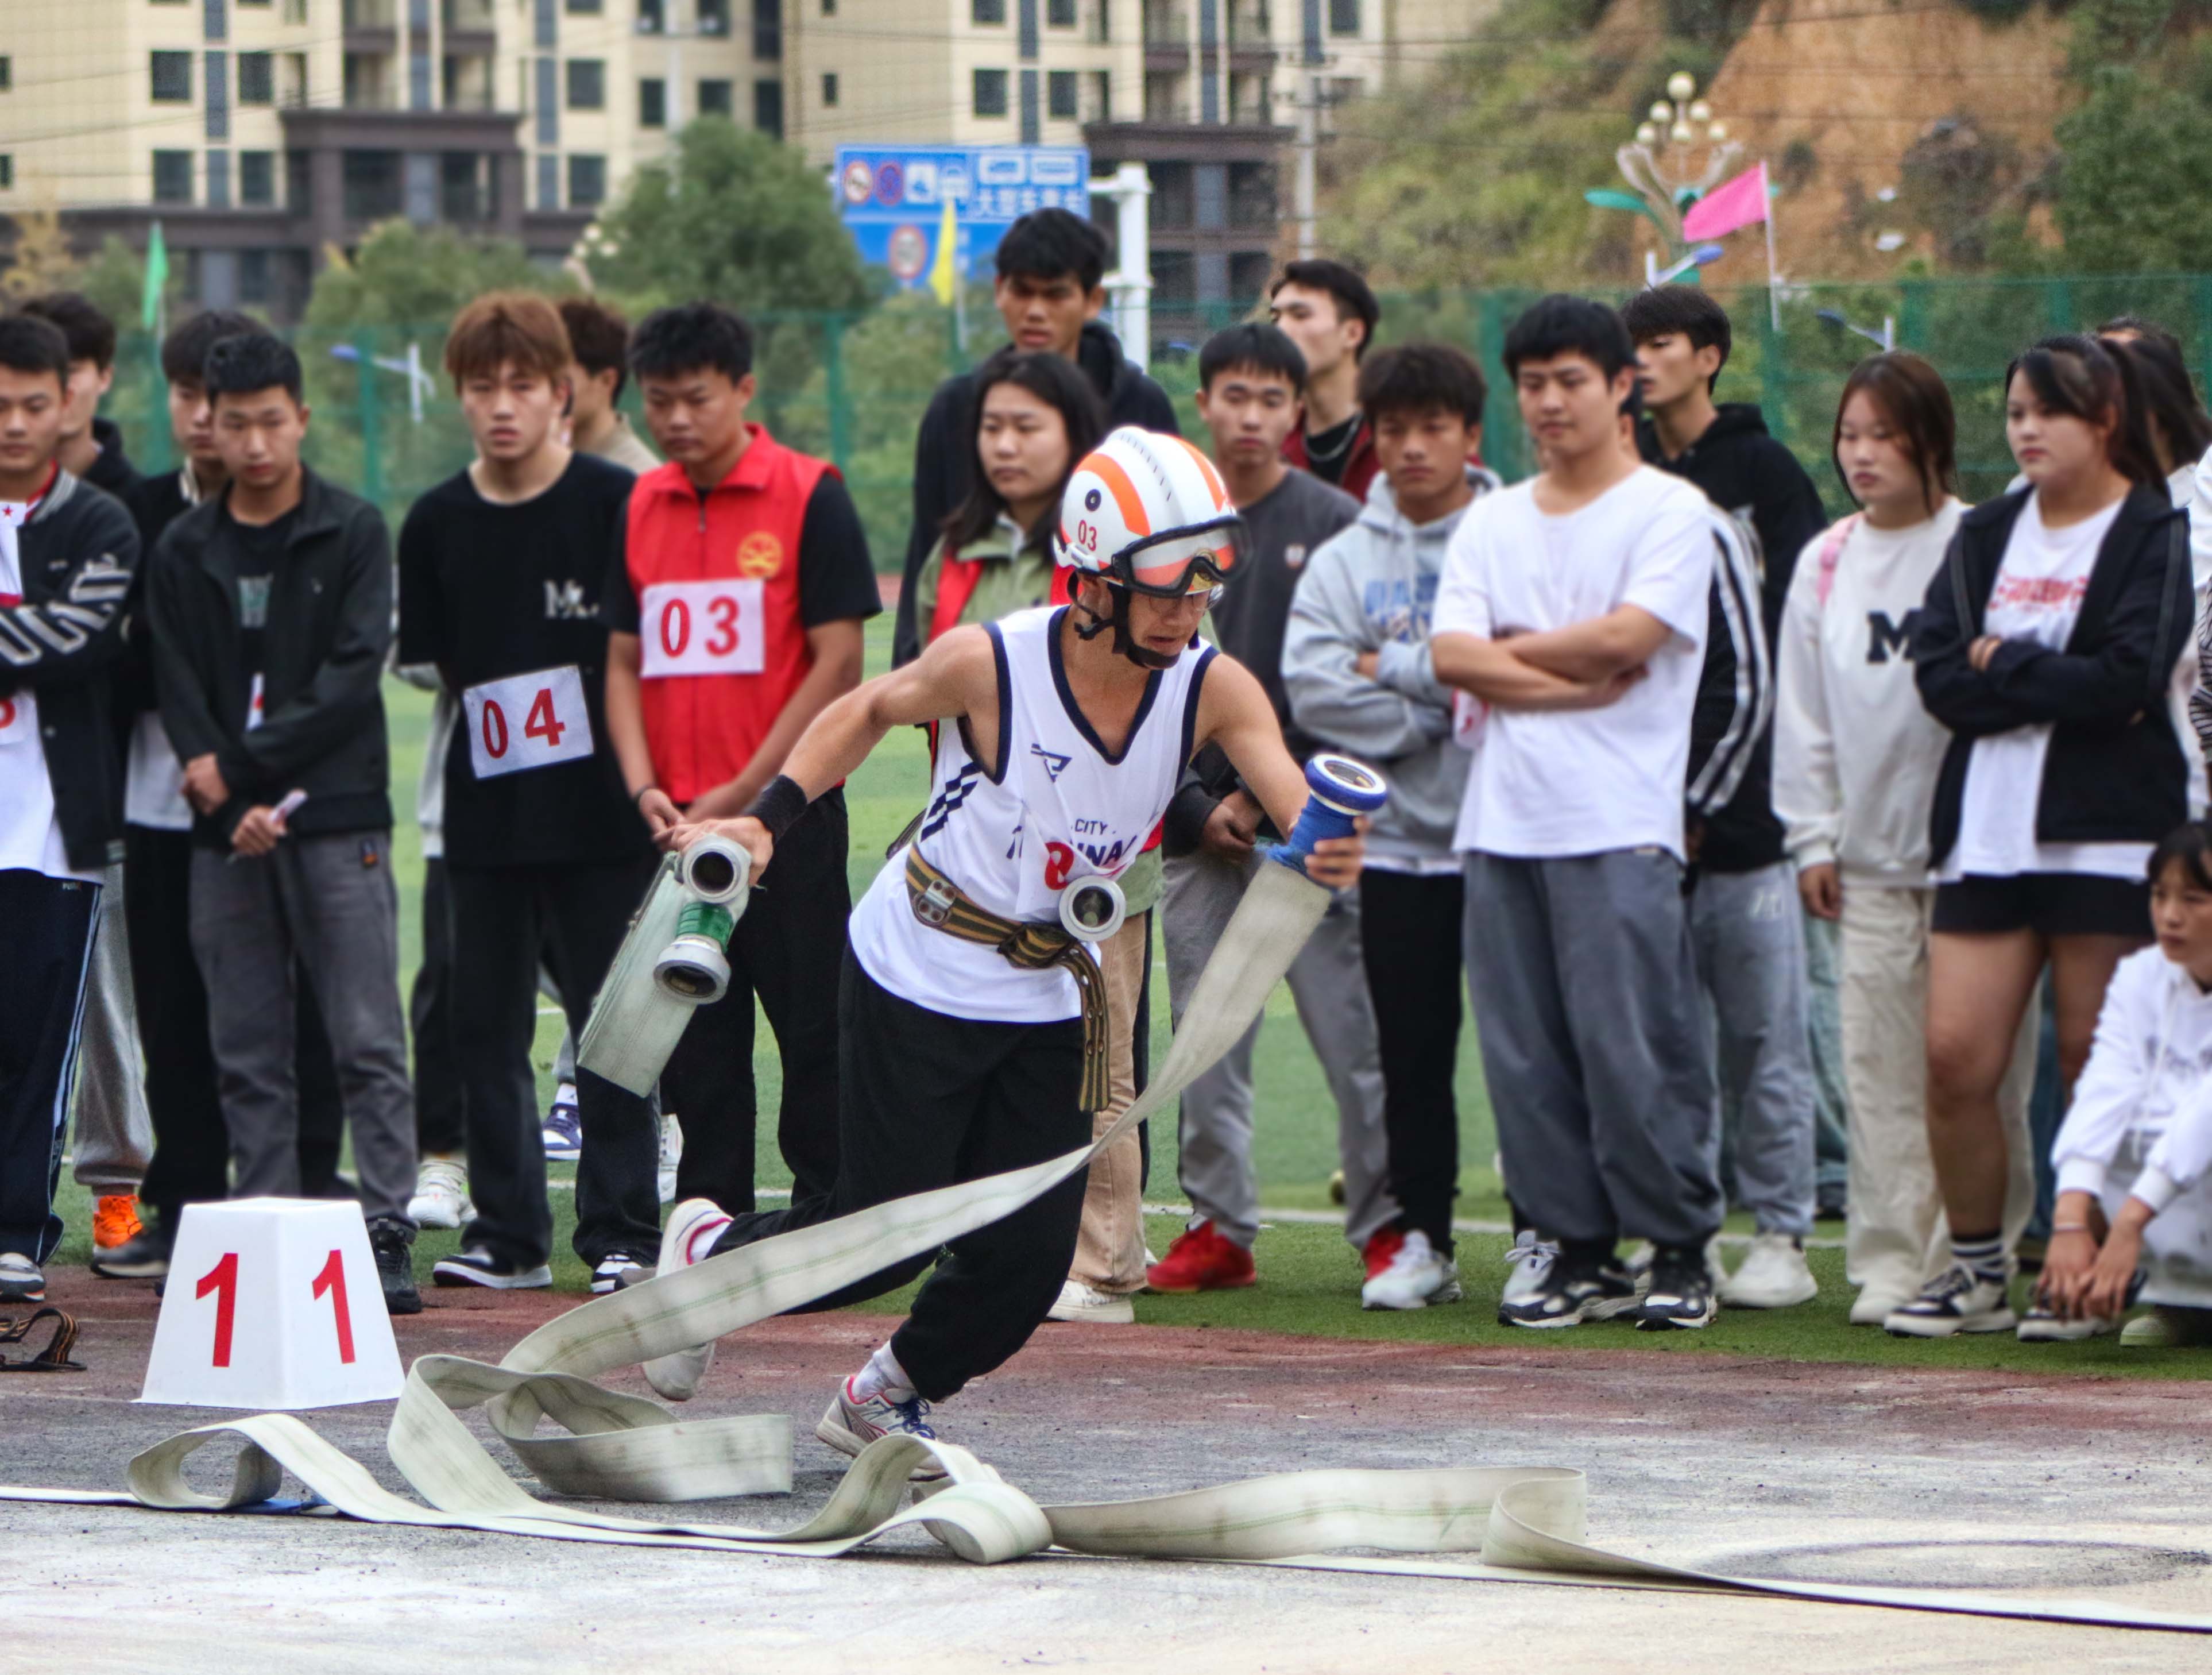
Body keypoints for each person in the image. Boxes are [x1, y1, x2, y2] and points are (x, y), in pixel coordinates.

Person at [645, 425, 1366, 1462]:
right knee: (875, 1237)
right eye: (1166, 582)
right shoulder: (991, 662)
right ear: (1090, 580)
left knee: (1026, 1264)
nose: (1190, 604)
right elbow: (865, 708)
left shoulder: (1213, 684)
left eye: (1209, 576)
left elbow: (1297, 807)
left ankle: (880, 1397)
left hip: (1053, 986)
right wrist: (768, 819)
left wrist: (1327, 847)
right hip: (920, 962)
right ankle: (707, 1246)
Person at [1430, 294, 1723, 1331]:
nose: (1548, 404)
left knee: (1632, 1042)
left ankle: (1679, 1244)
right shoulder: (1491, 518)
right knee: (1525, 1056)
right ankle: (1579, 1250)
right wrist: (1562, 671)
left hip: (1618, 817)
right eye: (1532, 386)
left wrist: (1518, 649)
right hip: (1500, 821)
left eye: (1569, 382)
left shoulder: (1671, 512)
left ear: (1618, 387)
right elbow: (1449, 653)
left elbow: (1631, 638)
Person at [1897, 333, 2192, 1338]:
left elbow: (2126, 681)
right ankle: (1976, 1270)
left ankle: (2098, 1277)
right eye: (2014, 412)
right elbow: (1939, 677)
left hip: (2105, 840)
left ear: (2103, 420)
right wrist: (2024, 673)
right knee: (1952, 1057)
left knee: (2092, 1064)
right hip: (1983, 832)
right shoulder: (1982, 533)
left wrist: (2002, 663)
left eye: (2046, 413)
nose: (2024, 430)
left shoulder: (2153, 531)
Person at [145, 333, 421, 1315]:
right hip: (228, 828)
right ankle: (264, 1226)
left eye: (274, 419)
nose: (256, 441)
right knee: (247, 1047)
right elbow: (177, 682)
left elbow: (352, 680)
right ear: (206, 425)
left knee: (362, 1036)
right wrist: (228, 798)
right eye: (236, 422)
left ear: (302, 418)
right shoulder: (183, 547)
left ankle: (387, 1227)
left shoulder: (350, 528)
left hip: (335, 813)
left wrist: (245, 772)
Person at [398, 294, 660, 1293]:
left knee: (613, 1026)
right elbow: (434, 665)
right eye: (481, 387)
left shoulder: (614, 504)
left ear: (564, 392)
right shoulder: (436, 521)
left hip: (605, 816)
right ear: (458, 396)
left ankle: (622, 1234)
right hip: (485, 818)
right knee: (485, 1026)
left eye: (522, 386)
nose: (502, 406)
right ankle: (507, 1234)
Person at [1774, 352, 2038, 1326]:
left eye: (1886, 435)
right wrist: (1811, 839)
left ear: (1931, 440)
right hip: (1867, 862)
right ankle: (1889, 1257)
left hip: (1978, 856)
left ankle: (1974, 1255)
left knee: (1976, 1067)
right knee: (1878, 1065)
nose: (1863, 455)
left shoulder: (1981, 543)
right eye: (1849, 435)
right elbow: (1800, 713)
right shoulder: (1827, 558)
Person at [602, 302, 880, 1219]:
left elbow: (839, 662)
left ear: (743, 391)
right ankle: (707, 1210)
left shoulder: (810, 494)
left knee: (811, 1024)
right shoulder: (641, 503)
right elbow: (623, 656)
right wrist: (644, 784)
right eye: (659, 402)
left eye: (697, 398)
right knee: (691, 1029)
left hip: (788, 819)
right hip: (676, 827)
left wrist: (752, 794)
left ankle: (828, 1203)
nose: (677, 420)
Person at [95, 311, 350, 1280]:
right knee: (175, 1012)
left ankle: (305, 1198)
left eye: (230, 402)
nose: (209, 419)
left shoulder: (314, 516)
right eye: (191, 397)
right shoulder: (138, 514)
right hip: (167, 803)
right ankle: (187, 1202)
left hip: (289, 807)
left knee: (306, 1009)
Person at [1145, 322, 1398, 1296]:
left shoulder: (1337, 521)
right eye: (1233, 397)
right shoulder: (1172, 527)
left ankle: (1384, 1227)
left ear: (1298, 413)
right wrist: (1201, 803)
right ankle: (1217, 1227)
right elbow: (1139, 686)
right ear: (1204, 402)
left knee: (1352, 1033)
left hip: (1317, 818)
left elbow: (1349, 681)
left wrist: (1265, 789)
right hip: (1199, 827)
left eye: (1271, 401)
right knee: (1207, 1035)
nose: (1250, 417)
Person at [908, 346, 1148, 1325]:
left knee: (1100, 1056)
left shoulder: (1116, 560)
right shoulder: (954, 551)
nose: (1005, 446)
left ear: (1075, 440)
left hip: (1092, 854)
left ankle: (1103, 1263)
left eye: (1029, 427)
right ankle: (994, 1247)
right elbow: (923, 696)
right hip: (973, 859)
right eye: (992, 427)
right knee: (982, 1055)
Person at [1622, 284, 1832, 1310]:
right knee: (1671, 1043)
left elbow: (1786, 638)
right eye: (1630, 346)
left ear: (1709, 356)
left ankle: (1783, 1233)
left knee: (1763, 1037)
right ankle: (1682, 1235)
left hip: (1750, 816)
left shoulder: (1764, 474)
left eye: (1659, 343)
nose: (1641, 362)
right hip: (1642, 821)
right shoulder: (1625, 479)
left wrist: (1720, 791)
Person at [1282, 341, 1497, 1309]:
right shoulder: (1342, 560)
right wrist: (1441, 706)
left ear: (1470, 436)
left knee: (1527, 1053)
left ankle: (1550, 1237)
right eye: (1395, 430)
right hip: (1400, 846)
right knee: (1409, 1055)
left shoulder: (1513, 538)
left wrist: (1393, 668)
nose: (1412, 448)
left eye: (1433, 429)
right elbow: (1312, 683)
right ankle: (1425, 1241)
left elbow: (1526, 662)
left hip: (1509, 840)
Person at [0, 314, 139, 1305]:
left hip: (52, 830)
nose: (13, 424)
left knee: (37, 1041)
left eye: (32, 406)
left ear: (67, 407)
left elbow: (80, 637)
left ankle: (15, 1230)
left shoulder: (99, 524)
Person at [893, 207, 1178, 666]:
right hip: (983, 659)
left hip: (1114, 662)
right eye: (1021, 292)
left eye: (1055, 294)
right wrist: (912, 668)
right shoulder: (956, 409)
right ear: (999, 293)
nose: (1036, 311)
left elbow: (1173, 551)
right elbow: (931, 541)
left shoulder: (1141, 407)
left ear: (1092, 301)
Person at [2030, 822, 2212, 1345]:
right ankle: (2181, 1300)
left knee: (2179, 1124)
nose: (2170, 915)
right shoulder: (2140, 976)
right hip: (2169, 1183)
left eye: (2194, 898)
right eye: (2160, 895)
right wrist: (2069, 1220)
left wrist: (2128, 1224)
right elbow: (2103, 1090)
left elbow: (2202, 1120)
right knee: (2123, 1123)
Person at [1269, 259, 1384, 500]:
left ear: (1352, 333)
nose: (1281, 330)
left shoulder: (1407, 431)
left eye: (1300, 315)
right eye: (1275, 319)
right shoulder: (1271, 441)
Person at [19, 292, 138, 499]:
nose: (61, 388)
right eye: (42, 372)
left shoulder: (143, 504)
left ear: (105, 378)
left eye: (71, 371)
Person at [559, 295, 660, 474]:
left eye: (562, 380)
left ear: (606, 381)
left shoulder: (637, 477)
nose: (552, 393)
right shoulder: (541, 465)